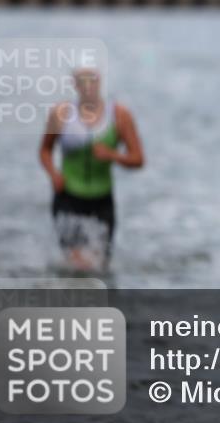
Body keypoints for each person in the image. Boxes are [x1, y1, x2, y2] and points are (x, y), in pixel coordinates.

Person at [39, 68, 144, 272]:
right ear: (75, 84)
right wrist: (53, 174)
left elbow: (138, 159)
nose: (88, 86)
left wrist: (113, 155)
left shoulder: (120, 116)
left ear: (99, 82)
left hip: (102, 199)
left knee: (100, 266)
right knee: (78, 265)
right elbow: (44, 150)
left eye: (92, 80)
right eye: (83, 81)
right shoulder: (61, 114)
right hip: (68, 196)